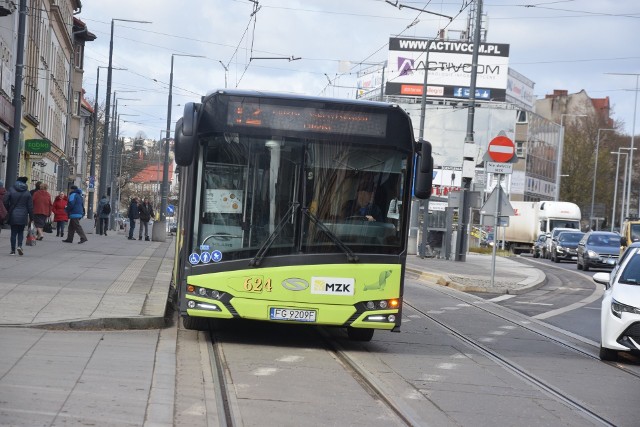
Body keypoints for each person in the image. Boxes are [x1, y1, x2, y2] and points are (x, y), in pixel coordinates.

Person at [3, 176, 33, 255]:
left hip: (13, 214)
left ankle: (13, 251)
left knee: (13, 232)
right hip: (23, 215)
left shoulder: (11, 189)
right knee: (20, 232)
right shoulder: (27, 192)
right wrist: (32, 218)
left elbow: (5, 200)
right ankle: (19, 246)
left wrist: (8, 208)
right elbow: (30, 206)